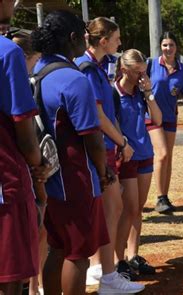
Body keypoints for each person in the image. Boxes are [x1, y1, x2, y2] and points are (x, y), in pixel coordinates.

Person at [31, 10, 114, 294]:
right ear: (72, 38)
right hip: (76, 177)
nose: (87, 38)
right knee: (77, 254)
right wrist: (102, 172)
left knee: (57, 246)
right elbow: (91, 138)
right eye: (84, 33)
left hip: (50, 177)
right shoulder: (74, 79)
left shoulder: (38, 72)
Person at [75, 17, 144, 294]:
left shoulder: (99, 67)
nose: (119, 43)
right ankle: (106, 274)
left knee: (111, 209)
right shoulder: (89, 69)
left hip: (105, 146)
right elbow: (98, 115)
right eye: (116, 38)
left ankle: (103, 270)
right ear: (103, 41)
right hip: (98, 148)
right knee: (110, 209)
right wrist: (122, 142)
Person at [0, 1, 50, 294]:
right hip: (6, 181)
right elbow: (24, 128)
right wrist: (39, 164)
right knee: (10, 278)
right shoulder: (8, 52)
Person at [114, 49, 162, 277]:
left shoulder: (141, 92)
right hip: (126, 157)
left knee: (137, 209)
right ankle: (118, 259)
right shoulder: (114, 93)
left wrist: (149, 92)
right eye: (137, 72)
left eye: (144, 71)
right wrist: (122, 144)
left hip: (145, 153)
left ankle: (133, 256)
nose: (141, 76)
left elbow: (158, 119)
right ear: (124, 70)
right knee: (128, 209)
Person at [11, 30, 47, 295]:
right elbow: (26, 129)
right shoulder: (22, 80)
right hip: (22, 167)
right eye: (35, 60)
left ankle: (34, 286)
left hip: (23, 165)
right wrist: (39, 163)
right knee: (35, 227)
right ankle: (31, 286)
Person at [147, 32, 183, 214]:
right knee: (162, 154)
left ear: (176, 47)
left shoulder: (182, 70)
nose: (168, 48)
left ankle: (164, 196)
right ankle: (159, 198)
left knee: (168, 157)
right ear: (161, 47)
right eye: (165, 45)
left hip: (170, 117)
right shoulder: (151, 64)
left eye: (171, 45)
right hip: (151, 116)